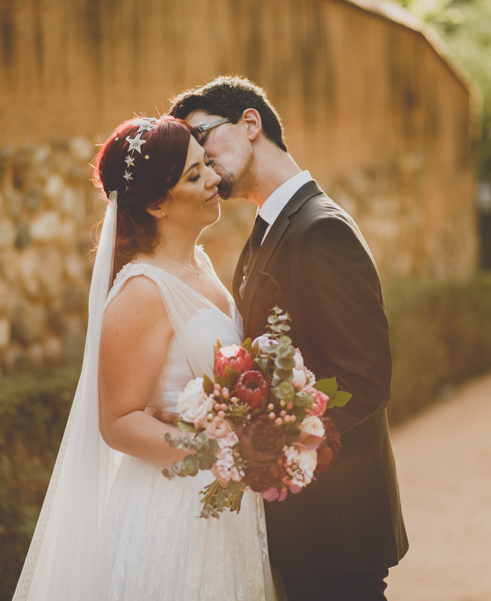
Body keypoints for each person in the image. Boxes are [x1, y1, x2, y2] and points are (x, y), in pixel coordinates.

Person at [11, 116, 277, 601]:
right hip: (175, 512)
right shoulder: (142, 292)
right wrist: (217, 452)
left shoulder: (200, 265)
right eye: (195, 177)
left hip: (224, 504)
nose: (214, 180)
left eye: (206, 166)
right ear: (157, 203)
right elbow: (117, 421)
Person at [170, 76, 409, 601]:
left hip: (337, 527)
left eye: (204, 136)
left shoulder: (321, 229)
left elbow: (367, 379)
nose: (202, 160)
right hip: (298, 526)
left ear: (251, 123)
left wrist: (270, 444)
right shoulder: (266, 233)